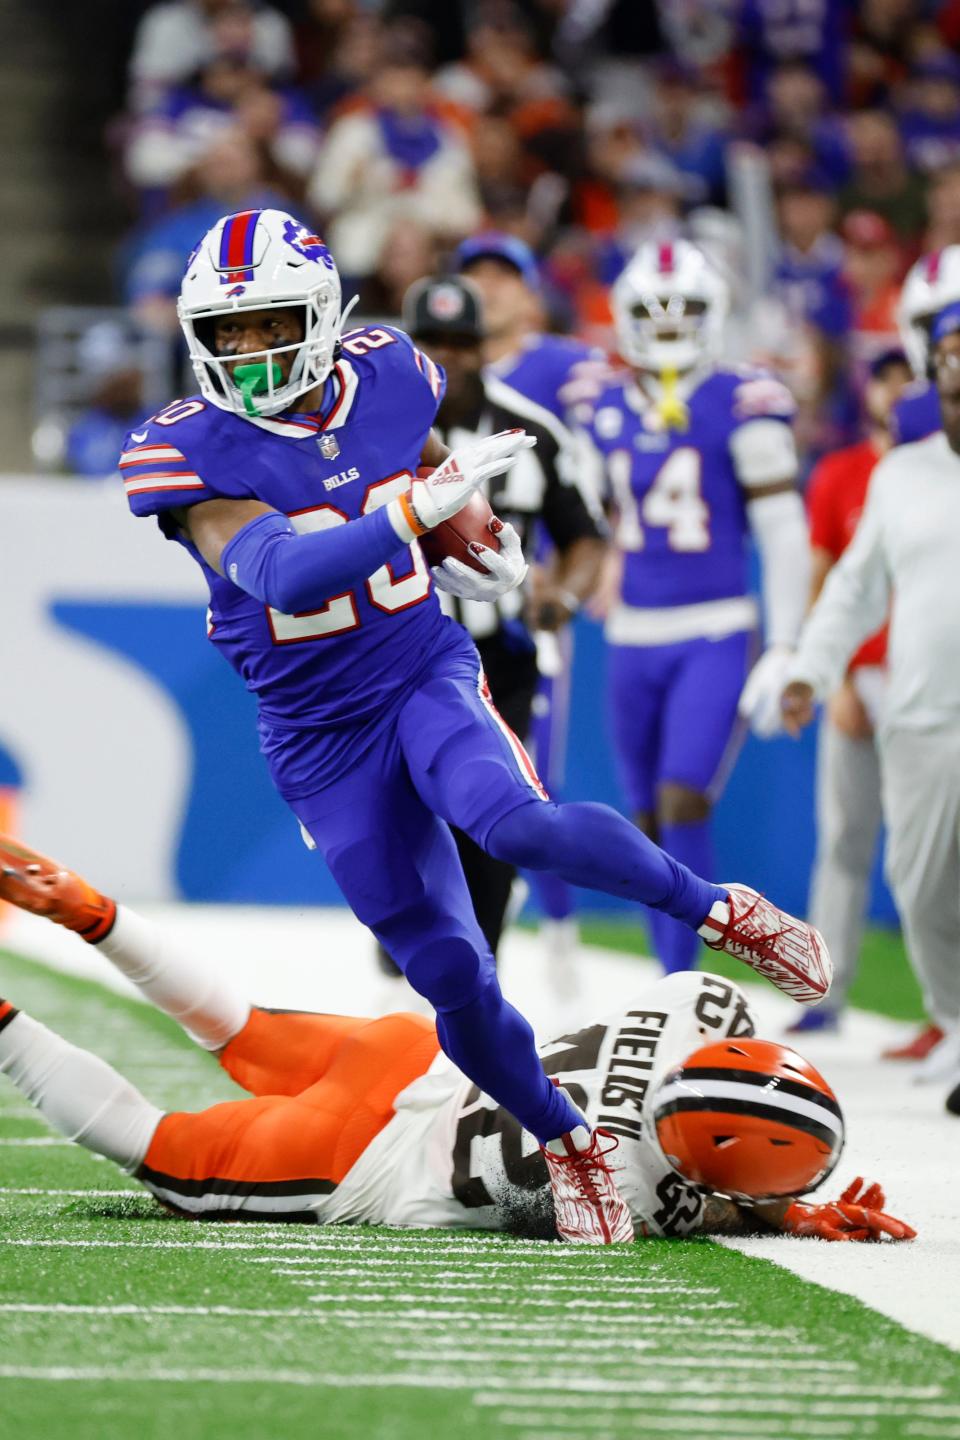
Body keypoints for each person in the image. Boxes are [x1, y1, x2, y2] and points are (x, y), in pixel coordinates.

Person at [117, 206, 831, 1244]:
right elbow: (277, 570)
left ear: (318, 317)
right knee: (446, 971)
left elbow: (415, 475)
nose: (248, 351)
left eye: (268, 323)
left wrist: (471, 536)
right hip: (317, 731)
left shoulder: (393, 373)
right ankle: (567, 1139)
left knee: (516, 824)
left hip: (419, 667)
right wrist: (417, 515)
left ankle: (721, 912)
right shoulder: (186, 446)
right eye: (227, 332)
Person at [0, 833, 913, 1243]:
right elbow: (700, 1202)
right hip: (363, 1164)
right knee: (163, 1156)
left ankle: (93, 914)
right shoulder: (635, 1194)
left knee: (239, 1030)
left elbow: (705, 1121)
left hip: (418, 1061)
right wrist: (780, 1209)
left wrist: (774, 1194)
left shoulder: (699, 1007)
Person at [579, 238, 811, 978]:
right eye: (655, 311)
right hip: (632, 633)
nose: (671, 326)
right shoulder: (603, 406)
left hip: (714, 628)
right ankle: (668, 977)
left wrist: (786, 643)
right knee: (643, 819)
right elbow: (581, 517)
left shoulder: (742, 399)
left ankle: (686, 981)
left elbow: (783, 535)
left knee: (684, 798)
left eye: (687, 311)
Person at [775, 302, 960, 1104]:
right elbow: (853, 591)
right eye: (951, 354)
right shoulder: (900, 474)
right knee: (918, 885)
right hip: (922, 714)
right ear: (933, 371)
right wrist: (811, 669)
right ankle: (955, 1019)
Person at [398, 273, 606, 964]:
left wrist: (566, 597)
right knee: (400, 822)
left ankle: (476, 970)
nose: (449, 356)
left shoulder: (533, 430)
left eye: (463, 342)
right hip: (394, 659)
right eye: (433, 341)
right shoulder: (371, 432)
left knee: (493, 823)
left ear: (487, 347)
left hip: (499, 660)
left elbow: (584, 533)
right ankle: (422, 931)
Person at [788, 348, 913, 1037]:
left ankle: (940, 1005)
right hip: (860, 674)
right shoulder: (842, 473)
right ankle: (824, 989)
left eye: (907, 380)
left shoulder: (935, 472)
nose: (897, 391)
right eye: (886, 378)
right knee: (844, 835)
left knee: (931, 846)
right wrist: (828, 674)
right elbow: (826, 580)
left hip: (927, 675)